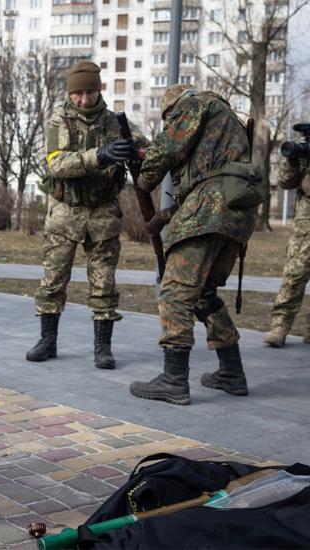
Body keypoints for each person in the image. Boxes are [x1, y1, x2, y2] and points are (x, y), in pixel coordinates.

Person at [129, 84, 260, 405]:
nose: (170, 123)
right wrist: (163, 217)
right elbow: (210, 181)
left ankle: (173, 380)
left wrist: (144, 177)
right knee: (204, 294)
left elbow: (168, 149)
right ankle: (232, 372)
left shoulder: (194, 104)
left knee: (175, 291)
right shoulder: (228, 121)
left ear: (173, 109)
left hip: (210, 209)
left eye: (168, 119)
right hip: (237, 214)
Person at [28, 60, 146, 369]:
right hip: (64, 213)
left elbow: (142, 155)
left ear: (98, 90)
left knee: (104, 283)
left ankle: (102, 347)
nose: (83, 99)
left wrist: (138, 153)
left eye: (90, 92)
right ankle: (47, 340)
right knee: (53, 280)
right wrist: (101, 155)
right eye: (78, 93)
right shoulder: (57, 121)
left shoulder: (115, 123)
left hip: (103, 212)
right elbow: (57, 163)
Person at [263, 148, 310, 347]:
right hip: (307, 222)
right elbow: (285, 182)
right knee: (295, 272)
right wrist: (294, 159)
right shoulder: (305, 152)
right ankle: (280, 325)